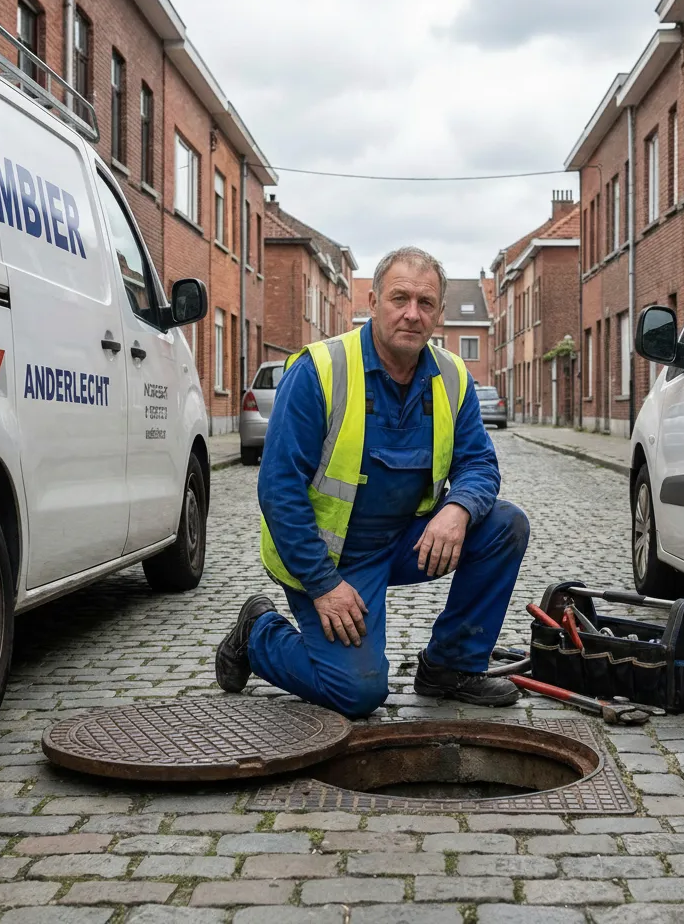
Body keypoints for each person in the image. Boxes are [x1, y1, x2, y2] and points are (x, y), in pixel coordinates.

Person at [215, 247, 530, 717]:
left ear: (439, 314)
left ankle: (450, 666)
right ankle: (258, 631)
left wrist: (457, 509)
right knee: (357, 693)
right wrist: (323, 585)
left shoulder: (451, 376)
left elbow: (480, 465)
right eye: (399, 298)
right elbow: (279, 490)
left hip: (407, 541)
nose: (411, 314)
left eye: (425, 303)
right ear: (373, 300)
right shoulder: (319, 372)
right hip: (332, 559)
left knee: (505, 524)